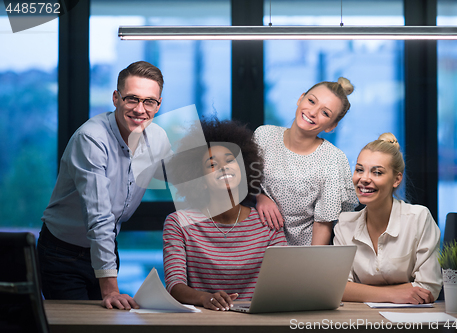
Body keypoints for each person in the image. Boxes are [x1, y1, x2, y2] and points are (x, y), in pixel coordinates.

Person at [37, 61, 172, 309]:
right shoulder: (91, 138)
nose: (140, 109)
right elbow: (99, 216)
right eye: (132, 99)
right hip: (62, 254)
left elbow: (192, 181)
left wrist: (257, 197)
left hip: (108, 247)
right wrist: (110, 290)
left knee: (108, 322)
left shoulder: (158, 138)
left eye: (149, 101)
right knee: (78, 327)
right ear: (115, 98)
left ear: (158, 105)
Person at [163, 119, 286, 311]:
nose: (224, 167)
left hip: (257, 321)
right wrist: (205, 298)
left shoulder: (267, 223)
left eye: (231, 160)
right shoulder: (178, 223)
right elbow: (174, 286)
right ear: (201, 180)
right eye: (212, 164)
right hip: (201, 321)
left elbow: (284, 282)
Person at [334, 133, 442, 304]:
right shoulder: (344, 224)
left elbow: (429, 289)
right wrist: (395, 294)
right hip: (360, 321)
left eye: (377, 172)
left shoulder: (419, 218)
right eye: (359, 169)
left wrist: (359, 291)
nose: (364, 179)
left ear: (396, 179)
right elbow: (337, 288)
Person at [253, 79, 358, 245]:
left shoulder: (333, 159)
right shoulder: (263, 136)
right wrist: (259, 196)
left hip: (300, 255)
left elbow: (323, 223)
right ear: (300, 98)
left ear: (332, 126)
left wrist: (311, 267)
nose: (313, 112)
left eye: (325, 113)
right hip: (253, 249)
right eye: (311, 101)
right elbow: (241, 186)